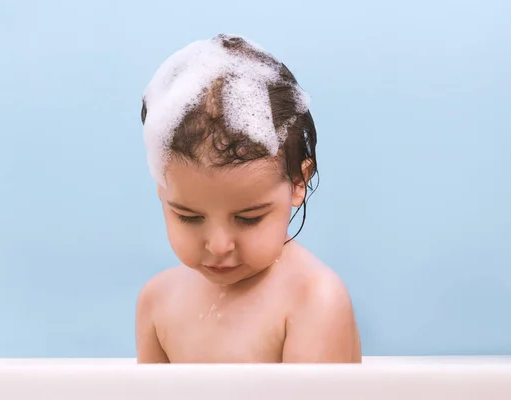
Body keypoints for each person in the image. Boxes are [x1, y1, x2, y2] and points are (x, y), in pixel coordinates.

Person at [135, 34, 361, 363]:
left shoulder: (311, 300)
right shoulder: (157, 301)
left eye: (248, 218)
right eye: (189, 216)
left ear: (298, 182)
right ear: (161, 190)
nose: (219, 245)